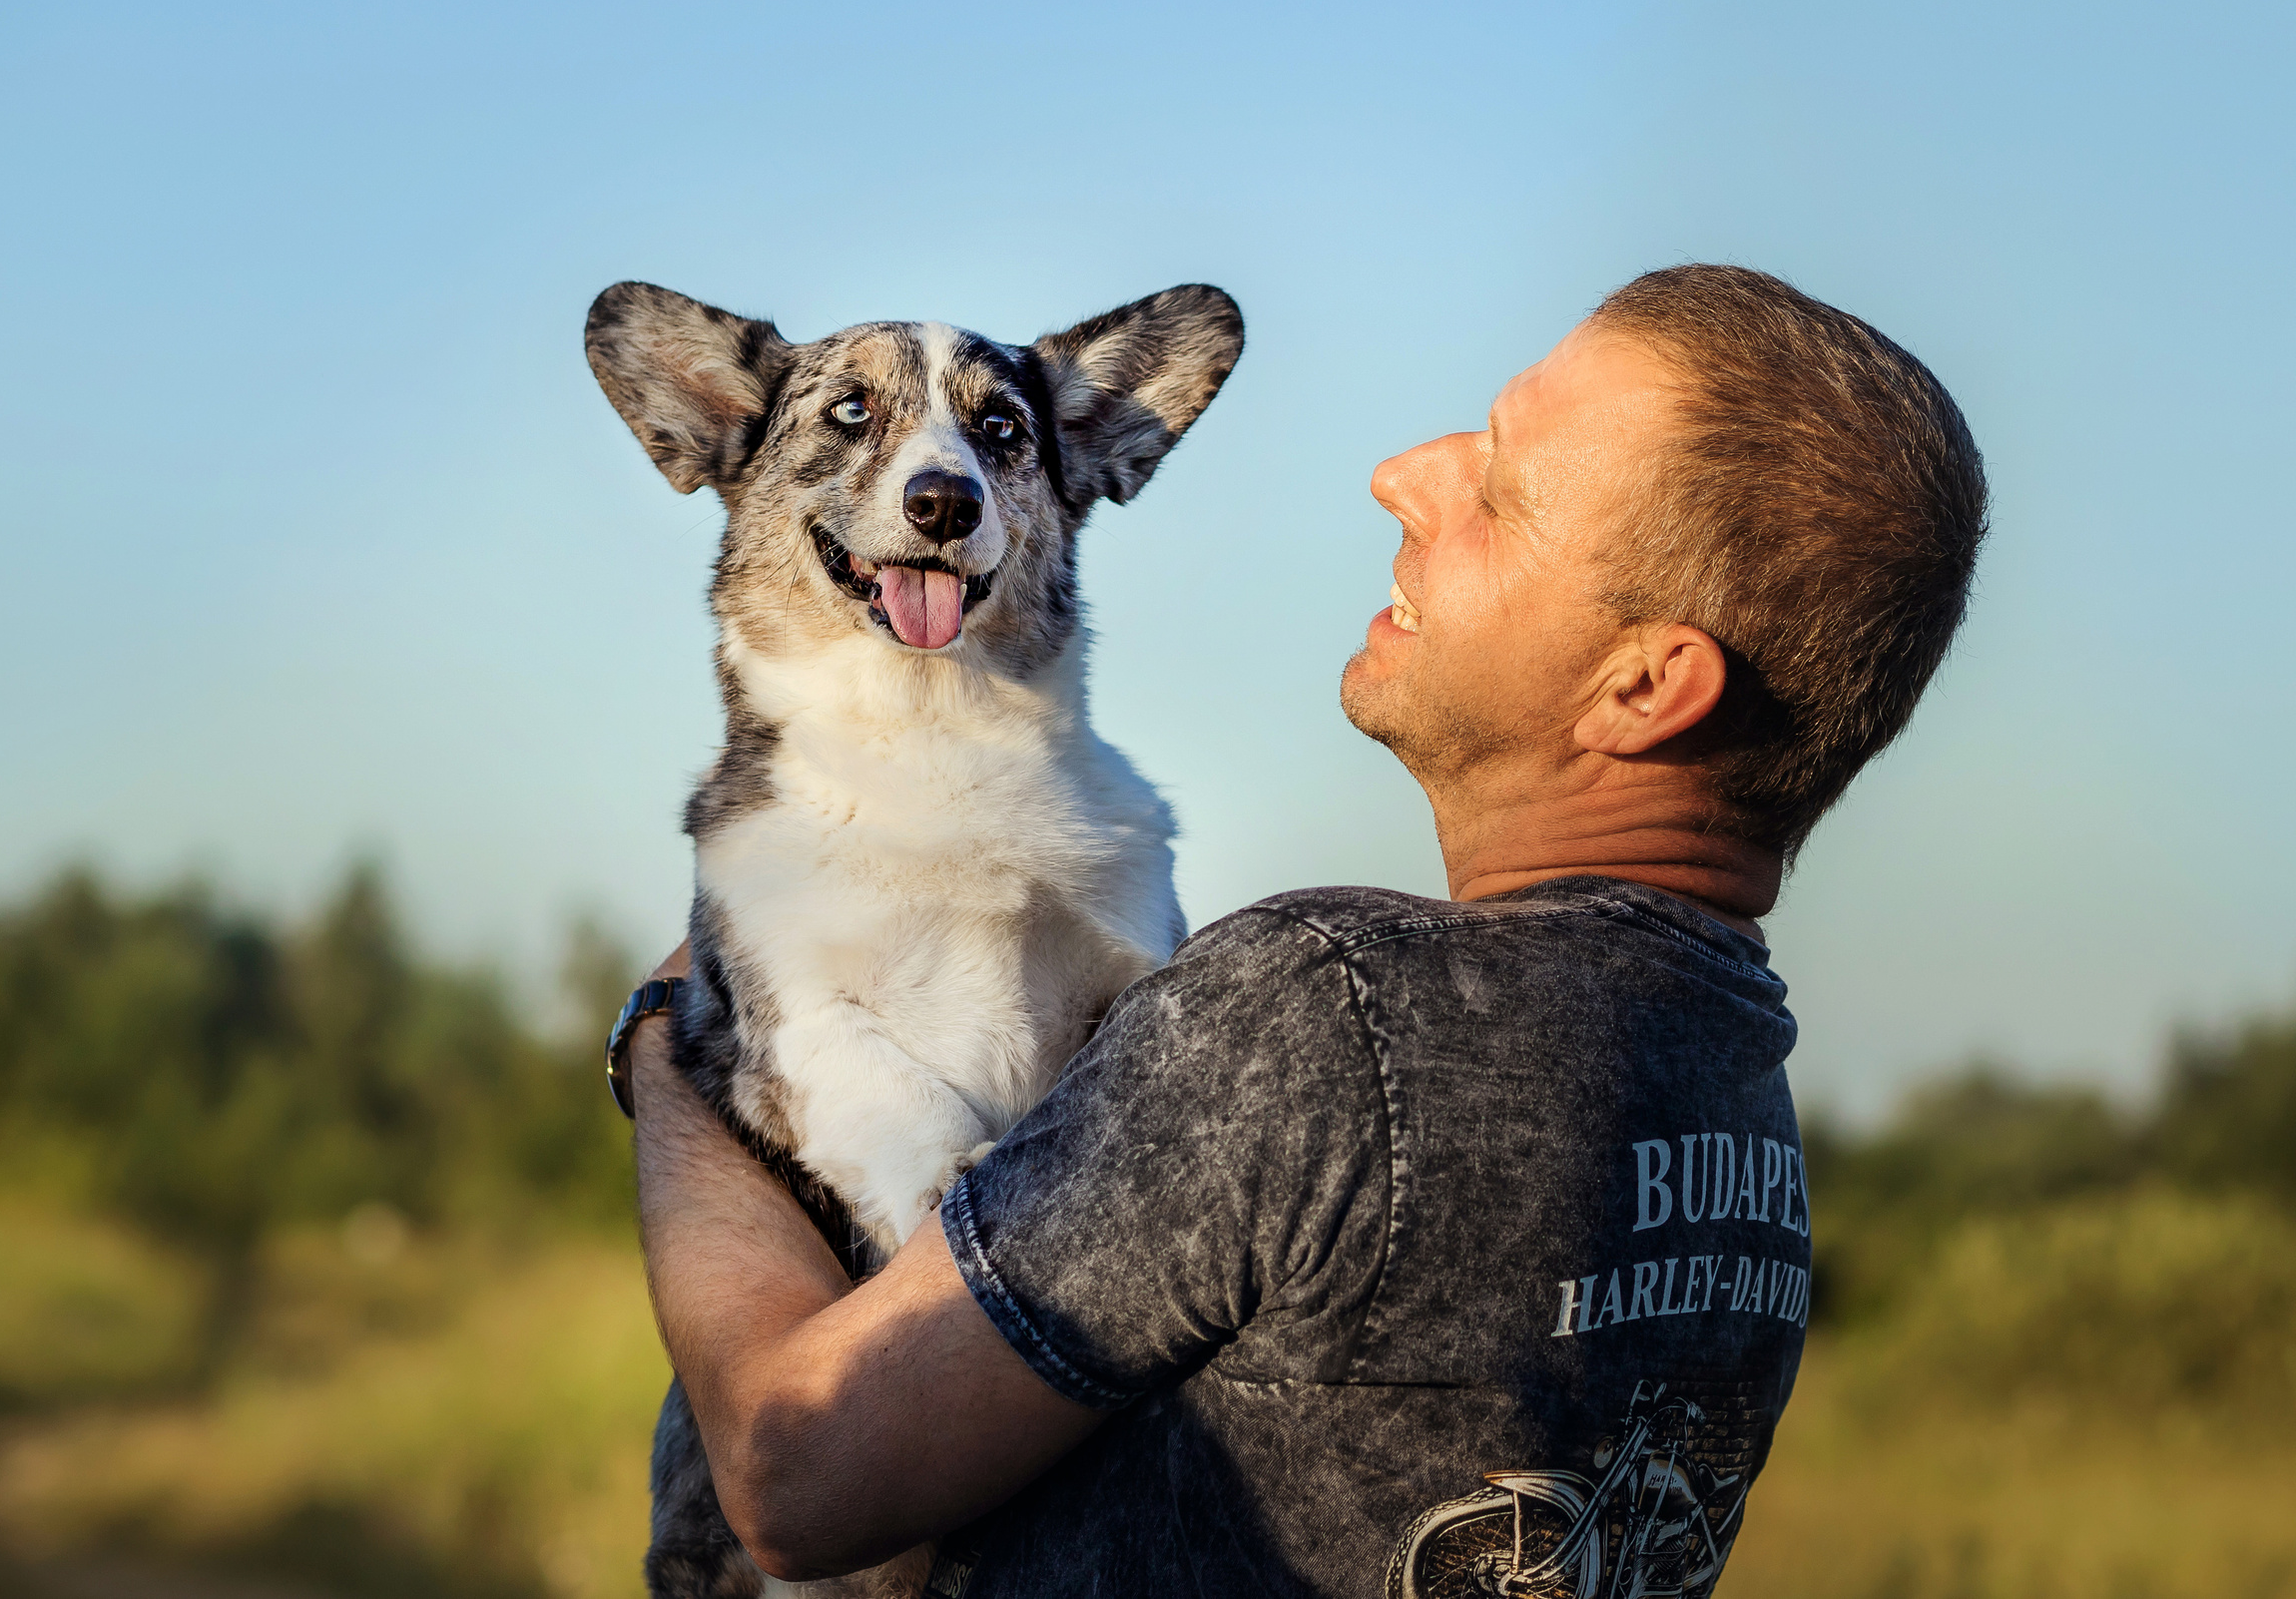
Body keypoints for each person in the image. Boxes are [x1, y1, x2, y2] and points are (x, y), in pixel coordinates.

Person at [620, 265, 1987, 1597]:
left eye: (1499, 490)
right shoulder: (1740, 1116)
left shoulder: (1319, 1015)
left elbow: (795, 1470)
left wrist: (666, 1056)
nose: (1403, 472)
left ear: (1645, 687)